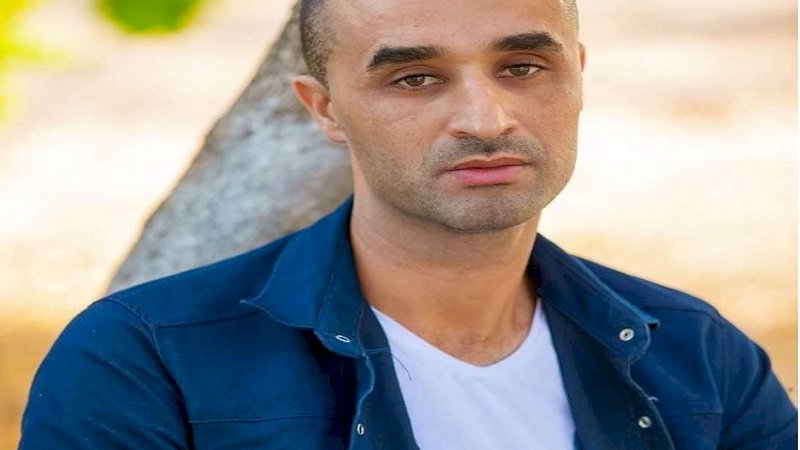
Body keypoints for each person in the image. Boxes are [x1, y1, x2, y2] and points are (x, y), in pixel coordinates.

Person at [19, 0, 797, 448]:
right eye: (415, 77)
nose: (485, 119)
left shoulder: (698, 356)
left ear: (577, 77)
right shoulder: (145, 361)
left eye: (523, 67)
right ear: (325, 110)